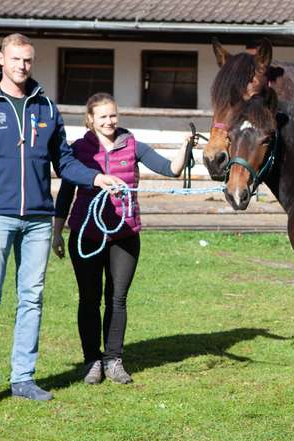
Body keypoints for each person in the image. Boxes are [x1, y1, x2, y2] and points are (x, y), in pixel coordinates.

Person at [0, 33, 124, 407]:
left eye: (27, 60)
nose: (22, 66)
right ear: (1, 59)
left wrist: (95, 176)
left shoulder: (46, 107)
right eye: (15, 59)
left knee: (32, 299)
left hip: (39, 220)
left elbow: (65, 161)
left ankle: (23, 377)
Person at [52, 93, 193, 385]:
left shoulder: (132, 145)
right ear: (90, 119)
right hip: (87, 233)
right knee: (89, 299)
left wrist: (184, 147)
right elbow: (65, 195)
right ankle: (92, 360)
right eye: (102, 116)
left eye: (113, 115)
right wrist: (56, 233)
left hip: (124, 235)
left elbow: (171, 169)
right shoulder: (78, 150)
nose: (109, 121)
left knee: (117, 299)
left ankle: (113, 359)